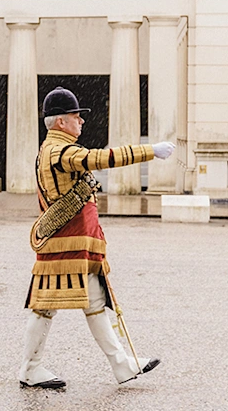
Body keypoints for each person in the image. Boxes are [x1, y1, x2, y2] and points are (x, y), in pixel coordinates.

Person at [18, 86, 170, 389]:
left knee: (77, 304)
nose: (81, 121)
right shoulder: (61, 151)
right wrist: (150, 151)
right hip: (68, 244)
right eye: (76, 116)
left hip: (68, 243)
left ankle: (118, 365)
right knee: (60, 305)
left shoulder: (49, 149)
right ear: (61, 121)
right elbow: (104, 159)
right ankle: (31, 369)